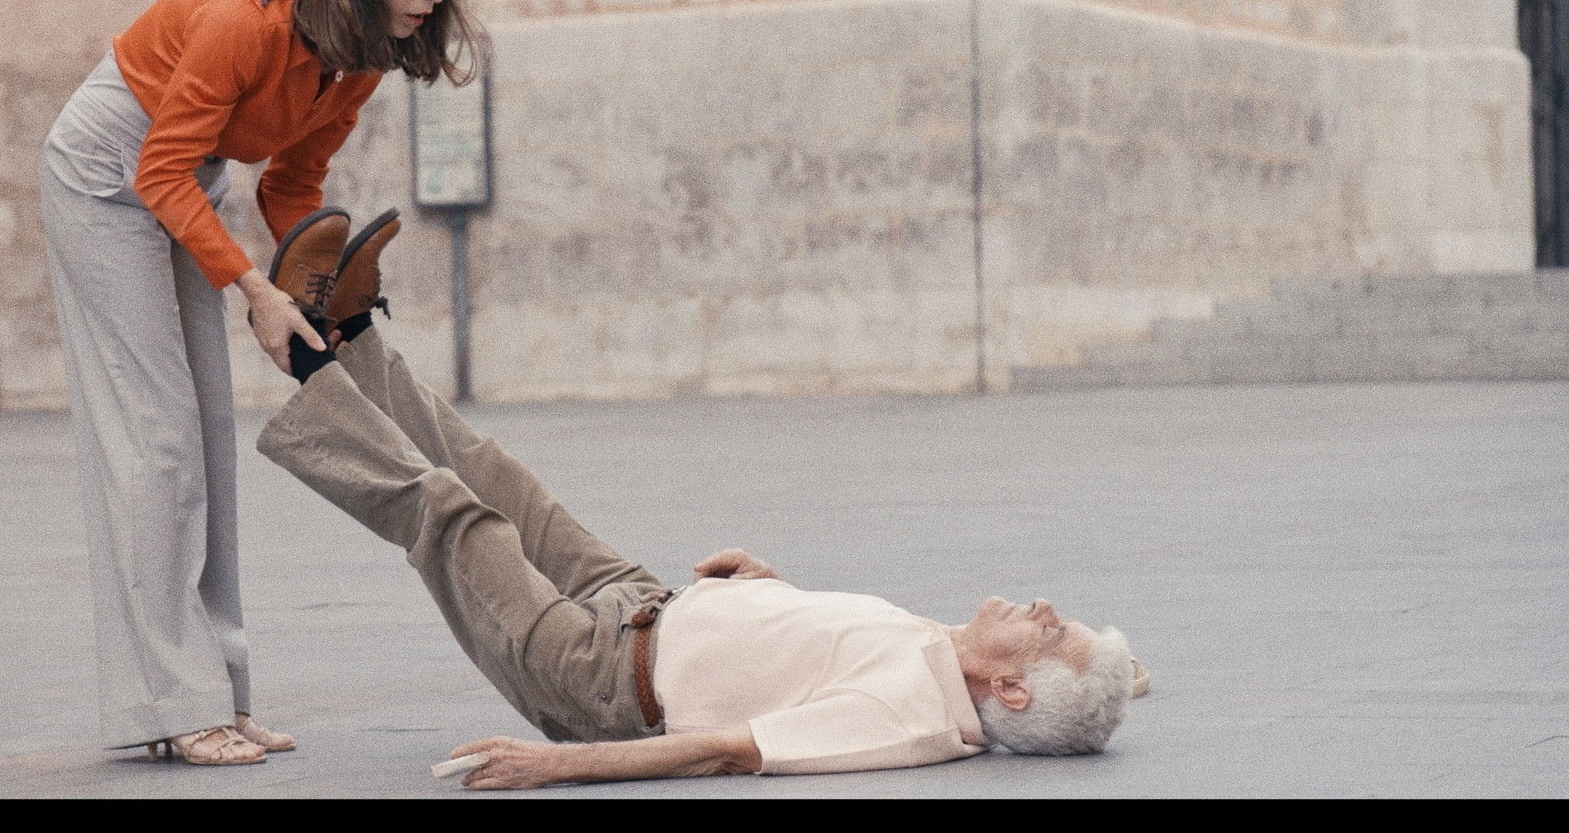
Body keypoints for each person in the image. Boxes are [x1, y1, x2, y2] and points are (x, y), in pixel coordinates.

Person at [252, 219, 1142, 789]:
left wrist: (560, 765)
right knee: (496, 475)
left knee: (452, 515)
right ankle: (352, 335)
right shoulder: (945, 652)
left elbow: (726, 748)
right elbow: (818, 654)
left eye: (1053, 633)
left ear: (1011, 692)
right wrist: (769, 588)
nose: (1045, 609)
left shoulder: (911, 720)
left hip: (596, 676)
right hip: (645, 602)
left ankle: (305, 363)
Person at [38, 0, 486, 765]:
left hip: (182, 177)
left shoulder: (358, 59)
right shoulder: (243, 19)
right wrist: (256, 290)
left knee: (207, 434)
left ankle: (219, 694)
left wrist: (316, 283)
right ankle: (172, 703)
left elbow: (291, 185)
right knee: (156, 437)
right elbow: (157, 167)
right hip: (104, 172)